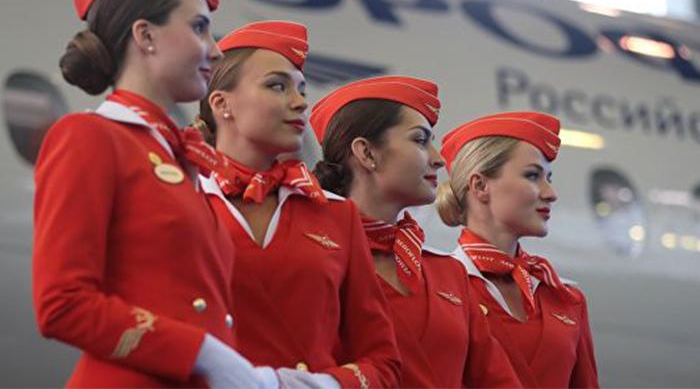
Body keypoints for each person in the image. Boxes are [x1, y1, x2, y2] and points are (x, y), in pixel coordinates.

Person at [33, 0, 269, 388]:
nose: (216, 50)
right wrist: (200, 354)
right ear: (145, 35)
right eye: (198, 27)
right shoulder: (90, 137)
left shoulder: (175, 155)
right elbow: (62, 303)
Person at [195, 21, 401, 389]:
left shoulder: (337, 214)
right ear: (222, 104)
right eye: (278, 86)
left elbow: (382, 361)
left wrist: (321, 385)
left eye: (302, 89)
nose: (300, 102)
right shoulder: (182, 199)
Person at [309, 76, 522, 388]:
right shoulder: (311, 258)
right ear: (367, 153)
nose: (438, 159)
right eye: (420, 140)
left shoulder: (448, 274)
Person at [438, 111, 599, 388]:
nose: (551, 193)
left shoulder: (566, 298)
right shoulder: (438, 289)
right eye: (533, 175)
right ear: (480, 185)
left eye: (548, 178)